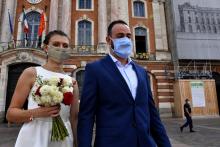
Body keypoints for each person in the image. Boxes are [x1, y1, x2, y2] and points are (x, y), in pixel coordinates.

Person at [77, 20, 171, 147]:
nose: (126, 39)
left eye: (128, 36)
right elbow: (86, 116)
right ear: (109, 40)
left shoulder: (141, 72)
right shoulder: (95, 70)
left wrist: (165, 144)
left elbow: (152, 113)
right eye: (120, 36)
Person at [6, 30, 79, 147]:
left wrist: (76, 142)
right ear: (46, 48)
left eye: (65, 45)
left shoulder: (72, 81)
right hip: (35, 136)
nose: (61, 48)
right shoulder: (31, 73)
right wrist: (37, 113)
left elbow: (74, 118)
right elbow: (11, 114)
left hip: (63, 138)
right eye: (56, 44)